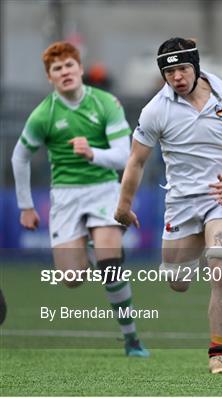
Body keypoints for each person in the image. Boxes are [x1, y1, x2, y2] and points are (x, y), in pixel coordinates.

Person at [114, 37, 222, 374]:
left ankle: (218, 356)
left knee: (221, 268)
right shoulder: (155, 110)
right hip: (181, 201)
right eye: (169, 71)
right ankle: (212, 232)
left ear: (195, 67)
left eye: (182, 68)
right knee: (177, 281)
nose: (177, 76)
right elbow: (136, 161)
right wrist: (123, 207)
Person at [10, 41, 149, 357]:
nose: (65, 72)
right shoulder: (43, 114)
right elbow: (20, 157)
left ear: (80, 69)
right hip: (66, 197)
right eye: (57, 69)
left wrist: (92, 153)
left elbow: (122, 156)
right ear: (50, 78)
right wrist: (26, 206)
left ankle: (132, 339)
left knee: (110, 263)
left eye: (69, 65)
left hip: (103, 189)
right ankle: (90, 245)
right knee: (71, 279)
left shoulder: (106, 103)